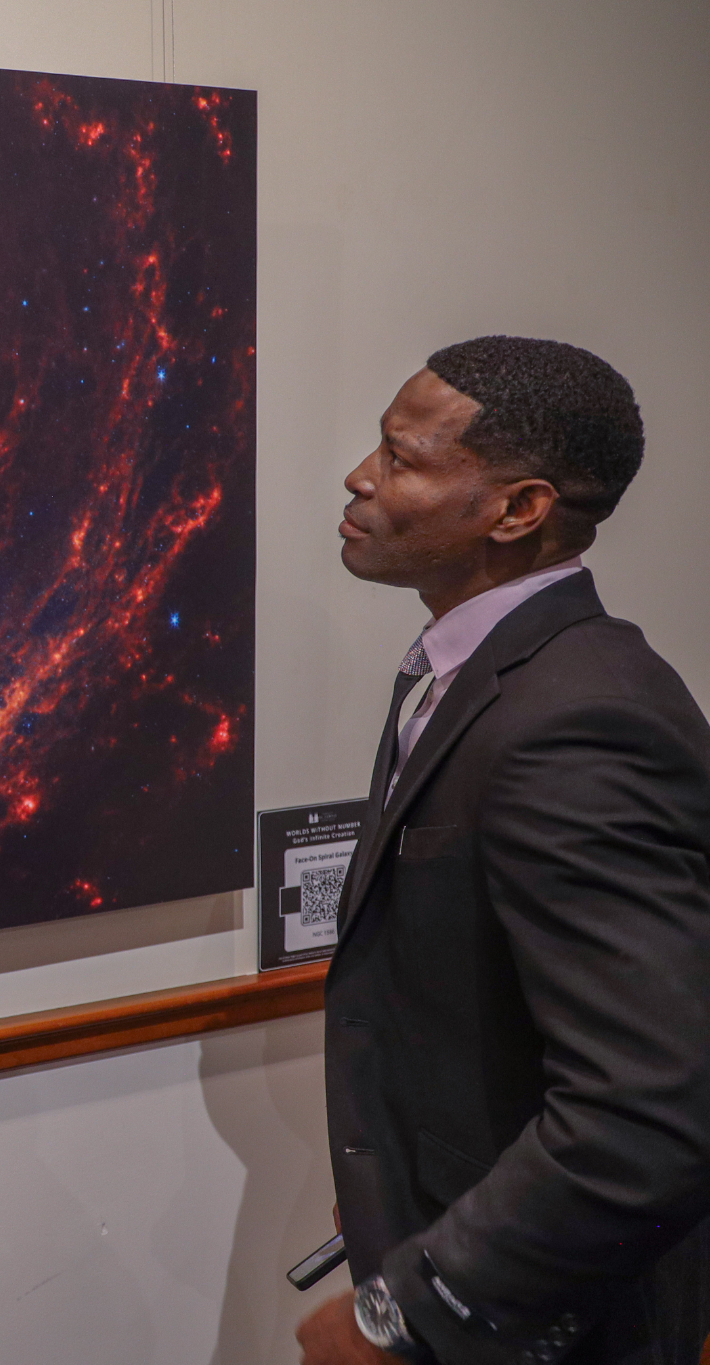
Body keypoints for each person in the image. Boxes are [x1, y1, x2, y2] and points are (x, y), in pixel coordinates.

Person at [296, 336, 710, 1365]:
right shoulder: (465, 670)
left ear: (517, 509)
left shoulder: (577, 718)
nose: (359, 477)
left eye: (401, 458)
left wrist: (410, 1309)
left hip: (550, 1328)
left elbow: (647, 1106)